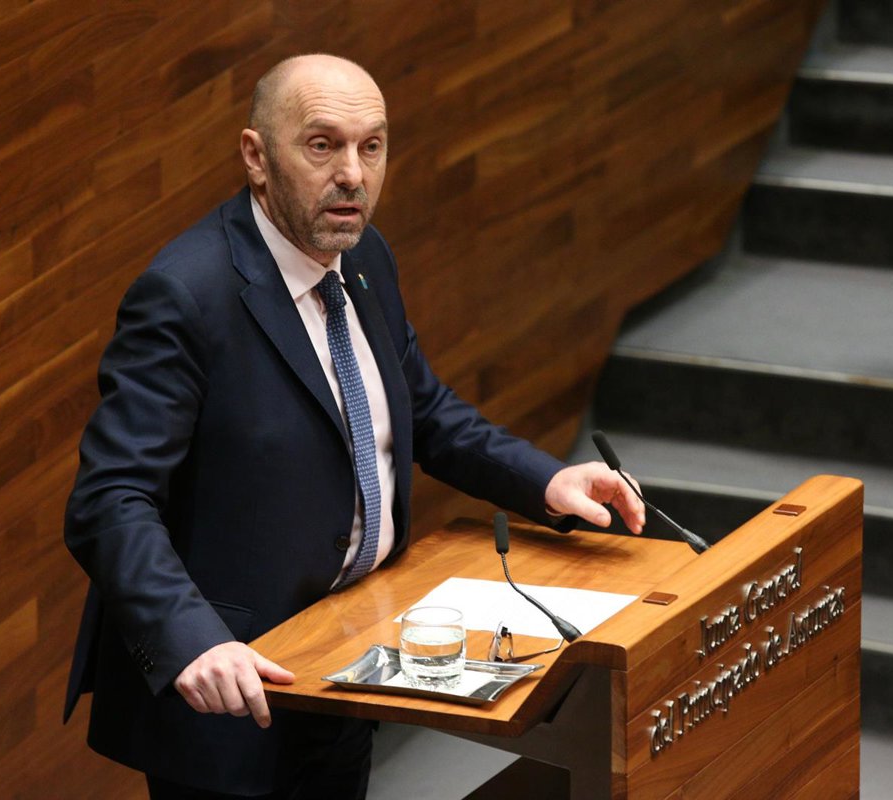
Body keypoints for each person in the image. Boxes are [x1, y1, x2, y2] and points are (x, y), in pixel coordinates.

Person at [62, 54, 645, 799]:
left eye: (371, 147)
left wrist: (549, 480)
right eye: (322, 145)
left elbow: (421, 409)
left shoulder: (363, 255)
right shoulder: (186, 295)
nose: (352, 175)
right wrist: (194, 640)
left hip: (350, 657)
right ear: (256, 157)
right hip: (235, 686)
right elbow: (110, 499)